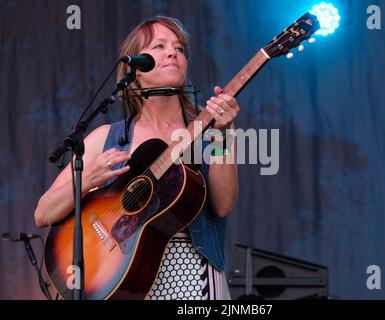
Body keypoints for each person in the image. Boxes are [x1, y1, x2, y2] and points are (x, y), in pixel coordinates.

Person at [34, 16, 239, 300]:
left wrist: (224, 134)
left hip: (195, 278)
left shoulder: (208, 132)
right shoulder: (106, 137)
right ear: (136, 69)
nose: (173, 53)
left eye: (179, 48)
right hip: (120, 280)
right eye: (159, 46)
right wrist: (87, 180)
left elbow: (223, 204)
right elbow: (43, 213)